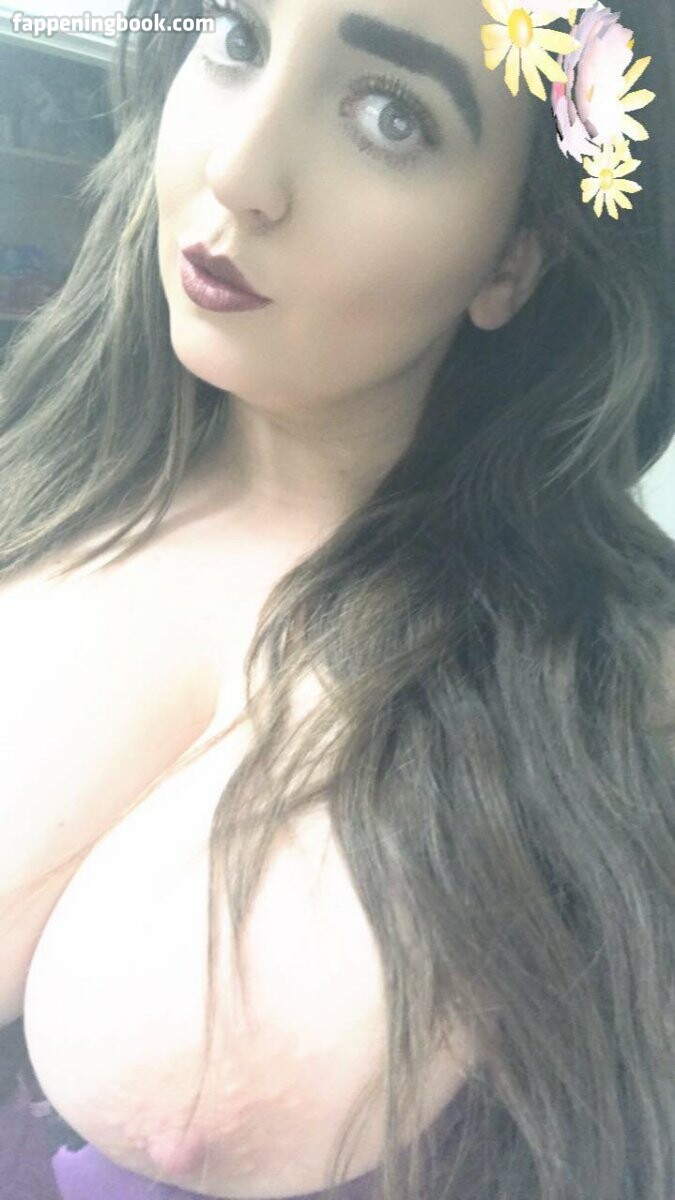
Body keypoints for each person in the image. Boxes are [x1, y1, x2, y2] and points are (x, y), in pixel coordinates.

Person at [0, 0, 674, 1197]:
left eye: (389, 115)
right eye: (236, 38)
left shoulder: (619, 693)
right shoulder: (33, 454)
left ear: (513, 258)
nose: (239, 169)